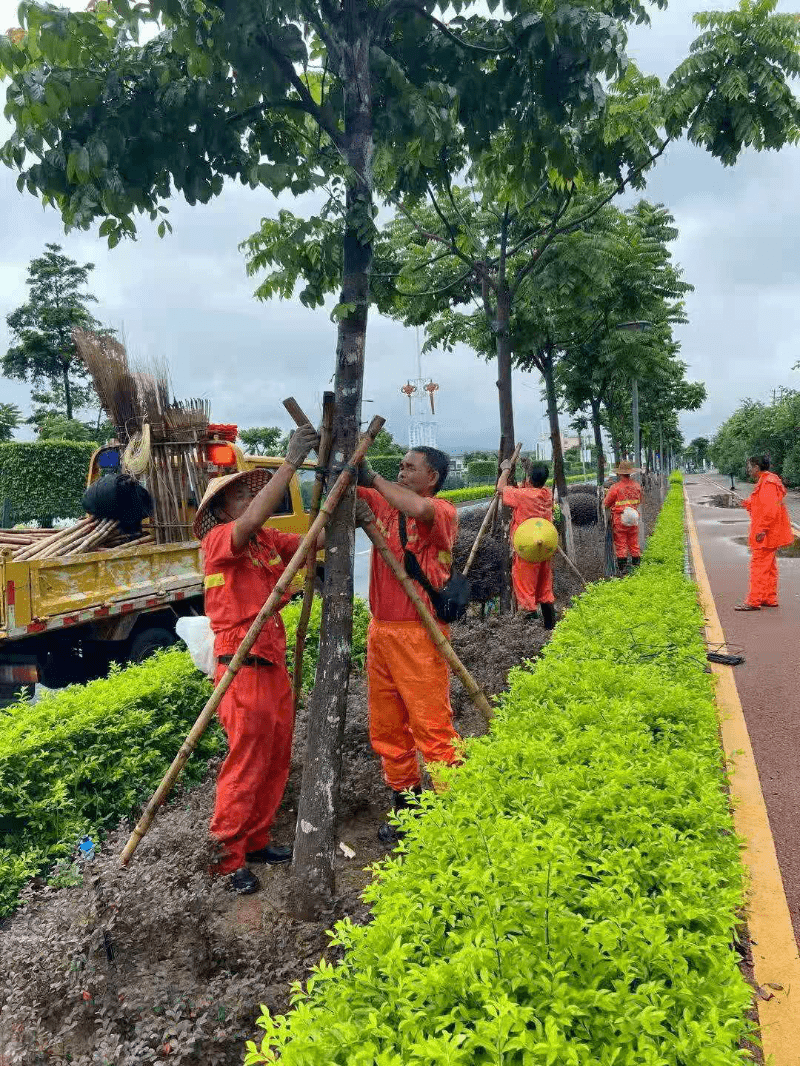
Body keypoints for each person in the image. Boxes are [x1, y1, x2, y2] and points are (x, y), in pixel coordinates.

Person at [192, 423, 319, 894]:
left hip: (271, 661)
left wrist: (344, 492)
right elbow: (247, 525)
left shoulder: (267, 542)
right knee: (246, 761)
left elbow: (315, 538)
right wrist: (288, 464)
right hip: (241, 666)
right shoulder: (222, 539)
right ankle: (226, 859)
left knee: (275, 756)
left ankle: (258, 840)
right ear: (222, 509)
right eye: (242, 496)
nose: (251, 501)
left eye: (252, 493)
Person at [356, 447, 461, 842]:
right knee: (387, 727)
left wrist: (373, 477)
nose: (400, 472)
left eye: (409, 467)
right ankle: (407, 805)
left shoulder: (441, 511)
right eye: (398, 465)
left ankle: (457, 810)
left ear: (432, 477)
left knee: (431, 725)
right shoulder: (384, 505)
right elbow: (348, 487)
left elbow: (418, 511)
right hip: (380, 631)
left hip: (419, 634)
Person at [497, 459, 556, 628]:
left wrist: (506, 470)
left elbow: (501, 488)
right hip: (545, 546)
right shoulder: (547, 494)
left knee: (525, 586)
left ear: (529, 480)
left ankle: (531, 631)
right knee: (545, 587)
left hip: (527, 546)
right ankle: (550, 626)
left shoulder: (522, 496)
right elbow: (529, 489)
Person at [735, 455, 793, 611]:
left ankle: (754, 601)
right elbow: (763, 504)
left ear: (756, 467)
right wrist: (745, 503)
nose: (748, 469)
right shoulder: (768, 480)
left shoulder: (767, 482)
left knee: (759, 566)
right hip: (770, 532)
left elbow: (769, 509)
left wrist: (762, 529)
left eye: (749, 466)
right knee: (769, 566)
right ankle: (768, 597)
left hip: (766, 533)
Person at [603, 459, 643, 574]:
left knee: (621, 545)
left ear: (619, 473)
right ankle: (637, 567)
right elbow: (640, 500)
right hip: (633, 518)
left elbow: (606, 503)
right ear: (630, 472)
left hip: (620, 520)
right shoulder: (637, 486)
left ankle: (623, 570)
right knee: (634, 543)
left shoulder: (615, 487)